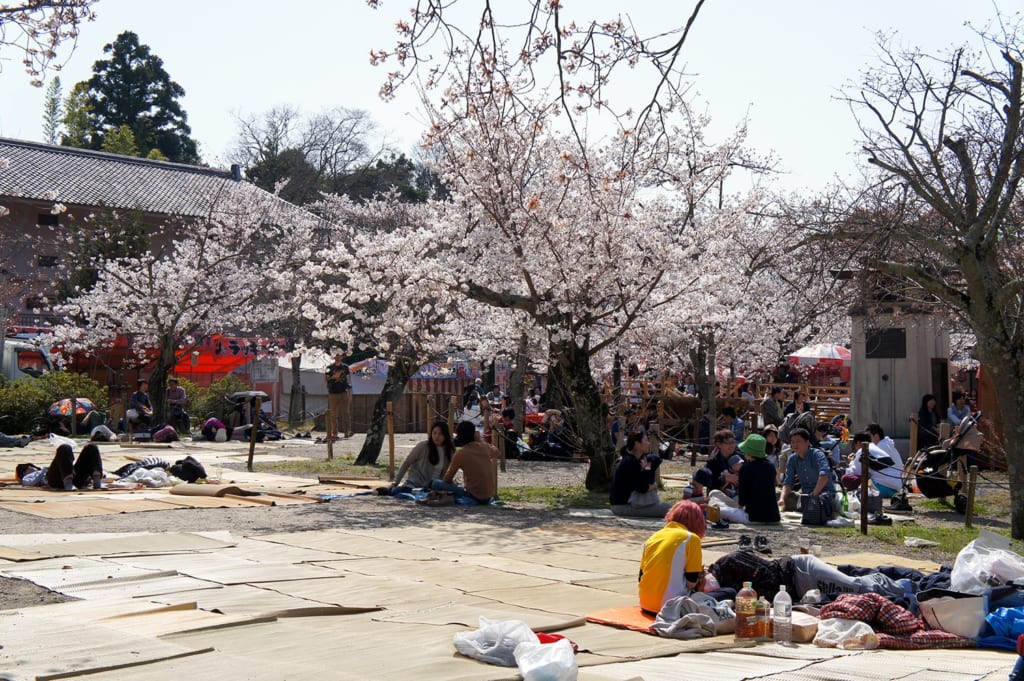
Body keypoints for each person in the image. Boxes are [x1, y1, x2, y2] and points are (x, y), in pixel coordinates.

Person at [638, 500, 707, 615]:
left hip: (645, 604)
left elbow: (641, 577)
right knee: (727, 592)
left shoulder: (654, 537)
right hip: (670, 607)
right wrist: (699, 575)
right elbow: (691, 583)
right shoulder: (691, 538)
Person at [709, 435, 781, 525]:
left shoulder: (746, 468)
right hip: (774, 517)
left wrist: (739, 508)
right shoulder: (770, 466)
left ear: (749, 452)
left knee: (720, 510)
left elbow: (743, 496)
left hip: (753, 517)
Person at [431, 420, 500, 504]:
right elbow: (497, 452)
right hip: (488, 496)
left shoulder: (460, 454)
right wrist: (481, 441)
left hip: (473, 496)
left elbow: (447, 479)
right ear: (474, 435)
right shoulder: (484, 447)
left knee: (436, 483)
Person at [382, 421, 454, 495]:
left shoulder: (449, 451)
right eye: (434, 433)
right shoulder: (423, 446)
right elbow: (407, 462)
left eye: (440, 434)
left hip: (436, 486)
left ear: (445, 435)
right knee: (400, 492)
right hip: (417, 484)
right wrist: (396, 481)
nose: (436, 436)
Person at [609, 430, 671, 517]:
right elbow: (642, 488)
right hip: (622, 506)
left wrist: (647, 468)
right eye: (645, 440)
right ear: (637, 444)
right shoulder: (629, 462)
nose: (648, 443)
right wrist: (653, 486)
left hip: (633, 502)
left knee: (667, 507)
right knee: (669, 509)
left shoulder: (638, 460)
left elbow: (647, 480)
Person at [779, 428, 835, 512]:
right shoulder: (792, 459)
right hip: (806, 494)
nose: (795, 444)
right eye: (793, 442)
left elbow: (825, 475)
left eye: (798, 441)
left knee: (816, 507)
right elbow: (788, 482)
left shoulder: (817, 454)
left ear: (807, 442)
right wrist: (782, 499)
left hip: (824, 492)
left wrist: (813, 496)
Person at [16, 443, 105, 490]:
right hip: (56, 481)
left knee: (91, 447)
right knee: (64, 448)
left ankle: (97, 480)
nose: (31, 468)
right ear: (23, 473)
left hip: (74, 478)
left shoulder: (41, 469)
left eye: (31, 466)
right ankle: (68, 482)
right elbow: (28, 482)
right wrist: (43, 471)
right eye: (27, 468)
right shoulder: (28, 476)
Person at [842, 432, 903, 498]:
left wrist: (851, 462)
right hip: (895, 488)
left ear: (858, 442)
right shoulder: (875, 448)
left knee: (846, 478)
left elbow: (854, 472)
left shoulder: (863, 450)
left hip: (882, 488)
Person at [325, 353, 353, 440]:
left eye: (339, 355)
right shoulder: (329, 367)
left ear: (341, 357)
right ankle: (334, 433)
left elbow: (348, 380)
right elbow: (326, 380)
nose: (338, 357)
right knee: (333, 414)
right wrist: (334, 376)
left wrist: (350, 393)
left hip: (343, 392)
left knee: (345, 413)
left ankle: (347, 431)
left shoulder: (345, 367)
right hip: (333, 393)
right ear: (334, 356)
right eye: (336, 355)